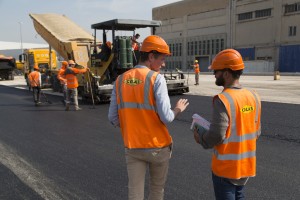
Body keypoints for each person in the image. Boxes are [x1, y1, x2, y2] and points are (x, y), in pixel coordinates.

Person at [108, 35, 189, 200]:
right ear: (151, 56)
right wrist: (178, 110)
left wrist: (132, 125)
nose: (164, 63)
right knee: (156, 191)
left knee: (135, 193)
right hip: (157, 147)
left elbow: (112, 117)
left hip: (133, 147)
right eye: (162, 59)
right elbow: (167, 117)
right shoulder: (156, 78)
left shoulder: (120, 80)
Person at [193, 49, 261, 200]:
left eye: (216, 71)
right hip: (245, 167)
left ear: (226, 73)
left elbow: (217, 135)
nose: (214, 75)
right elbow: (256, 132)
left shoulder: (223, 99)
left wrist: (201, 138)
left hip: (226, 169)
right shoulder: (254, 97)